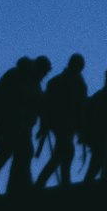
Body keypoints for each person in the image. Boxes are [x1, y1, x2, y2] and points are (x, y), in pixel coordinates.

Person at [0, 55, 52, 195]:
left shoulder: (34, 81)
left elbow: (38, 103)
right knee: (8, 154)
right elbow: (9, 98)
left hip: (23, 125)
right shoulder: (20, 77)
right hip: (13, 123)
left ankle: (15, 186)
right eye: (44, 72)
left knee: (21, 154)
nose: (45, 75)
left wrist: (42, 121)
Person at [36, 53, 88, 188]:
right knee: (64, 153)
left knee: (65, 153)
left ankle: (61, 182)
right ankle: (44, 183)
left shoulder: (77, 84)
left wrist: (81, 128)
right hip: (61, 123)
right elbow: (47, 104)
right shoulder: (59, 82)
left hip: (68, 124)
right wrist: (45, 123)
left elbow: (81, 108)